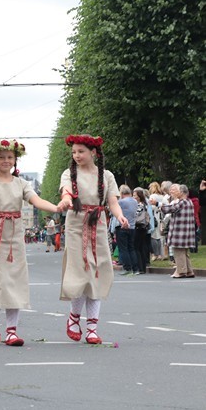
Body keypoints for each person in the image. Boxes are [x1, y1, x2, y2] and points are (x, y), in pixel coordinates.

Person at [0, 139, 59, 346]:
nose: (6, 160)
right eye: (1, 157)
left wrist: (57, 208)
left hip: (15, 232)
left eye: (10, 157)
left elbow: (36, 201)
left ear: (15, 160)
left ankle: (12, 330)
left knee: (16, 279)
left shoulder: (21, 183)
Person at [57, 134, 130, 345]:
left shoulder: (106, 175)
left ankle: (92, 327)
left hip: (97, 222)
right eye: (74, 152)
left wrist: (119, 216)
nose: (76, 155)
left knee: (97, 272)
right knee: (80, 271)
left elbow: (112, 202)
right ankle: (74, 316)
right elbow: (67, 193)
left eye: (81, 151)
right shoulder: (68, 173)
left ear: (93, 153)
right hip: (76, 222)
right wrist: (65, 201)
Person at [154, 184, 196, 278]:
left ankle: (181, 272)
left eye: (178, 191)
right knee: (185, 252)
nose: (176, 192)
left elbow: (170, 208)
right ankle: (189, 271)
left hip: (179, 232)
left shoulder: (182, 202)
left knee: (178, 252)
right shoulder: (189, 202)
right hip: (187, 232)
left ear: (181, 192)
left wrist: (158, 205)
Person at [115, 186, 139, 275]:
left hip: (122, 226)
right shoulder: (135, 201)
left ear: (121, 193)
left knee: (123, 249)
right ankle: (135, 268)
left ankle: (127, 268)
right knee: (131, 248)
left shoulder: (121, 202)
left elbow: (113, 210)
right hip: (132, 226)